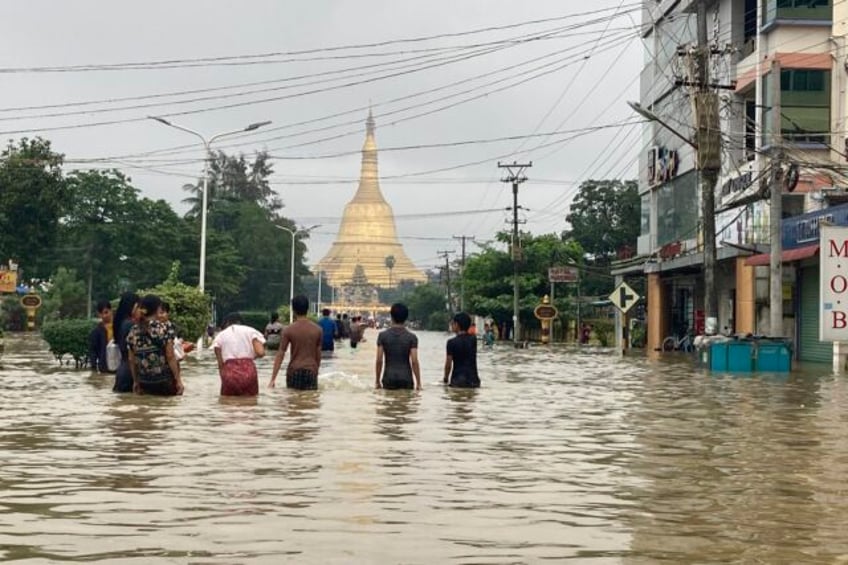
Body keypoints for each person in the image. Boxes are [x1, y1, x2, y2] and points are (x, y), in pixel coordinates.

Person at [127, 294, 185, 396]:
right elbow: (170, 356)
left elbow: (132, 360)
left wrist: (136, 382)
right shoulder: (165, 327)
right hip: (164, 381)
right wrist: (178, 380)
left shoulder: (133, 331)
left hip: (145, 382)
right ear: (158, 308)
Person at [270, 295, 322, 390]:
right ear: (308, 309)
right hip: (311, 371)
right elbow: (318, 354)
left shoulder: (288, 330)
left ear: (293, 310)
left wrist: (273, 379)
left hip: (294, 371)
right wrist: (316, 371)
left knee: (293, 401)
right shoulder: (317, 330)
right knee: (311, 402)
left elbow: (280, 354)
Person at [212, 312, 266, 396]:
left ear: (227, 323)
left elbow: (220, 364)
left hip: (229, 372)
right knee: (251, 403)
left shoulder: (220, 336)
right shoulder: (251, 331)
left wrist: (224, 379)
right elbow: (261, 352)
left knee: (228, 404)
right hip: (249, 371)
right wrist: (250, 357)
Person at [375, 303, 422, 390]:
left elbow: (379, 360)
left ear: (391, 316)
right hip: (406, 378)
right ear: (406, 317)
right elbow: (414, 361)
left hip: (388, 378)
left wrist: (377, 381)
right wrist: (419, 383)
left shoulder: (382, 336)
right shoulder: (412, 337)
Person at [444, 312, 480, 388]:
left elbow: (448, 364)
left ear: (457, 325)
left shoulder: (451, 342)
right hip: (473, 380)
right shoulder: (473, 340)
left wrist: (445, 378)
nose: (452, 326)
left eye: (453, 323)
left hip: (457, 380)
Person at [112, 292, 139, 392]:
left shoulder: (121, 322)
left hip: (123, 370)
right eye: (138, 306)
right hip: (130, 372)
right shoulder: (130, 325)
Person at [89, 300, 114, 373]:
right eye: (101, 314)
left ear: (111, 311)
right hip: (104, 367)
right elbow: (93, 351)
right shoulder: (96, 331)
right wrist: (93, 368)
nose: (104, 316)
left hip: (119, 366)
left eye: (106, 312)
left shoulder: (120, 327)